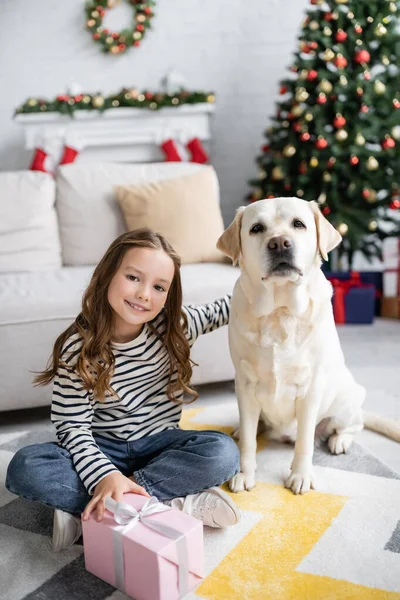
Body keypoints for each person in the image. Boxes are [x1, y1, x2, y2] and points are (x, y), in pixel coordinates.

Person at [6, 228, 240, 552]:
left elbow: (224, 308)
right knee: (27, 467)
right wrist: (103, 474)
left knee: (223, 452)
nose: (144, 293)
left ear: (168, 296)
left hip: (159, 444)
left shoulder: (174, 328)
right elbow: (72, 428)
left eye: (159, 287)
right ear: (108, 274)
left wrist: (268, 290)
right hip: (102, 447)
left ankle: (105, 507)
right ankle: (161, 503)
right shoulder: (79, 348)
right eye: (133, 277)